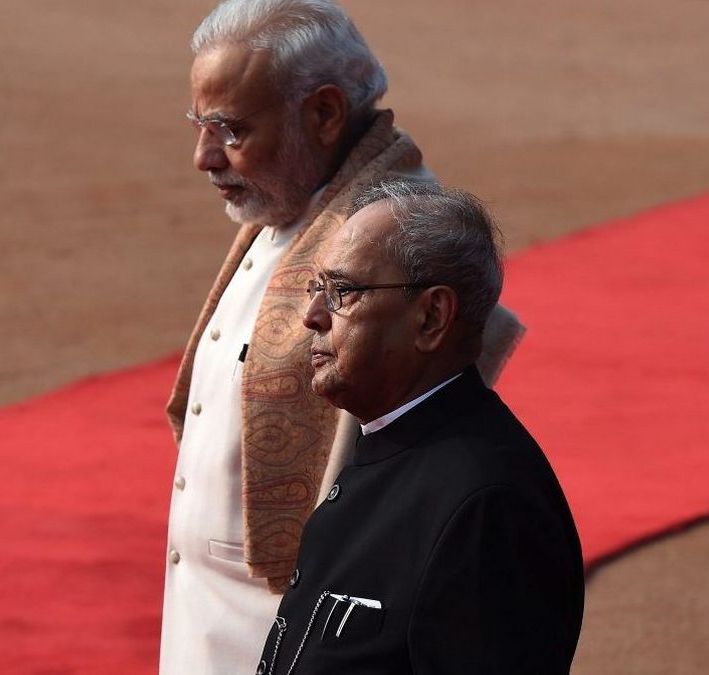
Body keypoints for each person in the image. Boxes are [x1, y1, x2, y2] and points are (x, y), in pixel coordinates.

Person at [161, 1, 526, 672]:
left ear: (324, 113)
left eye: (231, 130)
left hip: (295, 639)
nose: (203, 157)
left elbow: (415, 466)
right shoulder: (289, 203)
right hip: (204, 625)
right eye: (200, 127)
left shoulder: (398, 249)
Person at [253, 180, 584, 674]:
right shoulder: (389, 445)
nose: (312, 316)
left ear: (431, 317)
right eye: (316, 288)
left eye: (342, 291)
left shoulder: (488, 506)